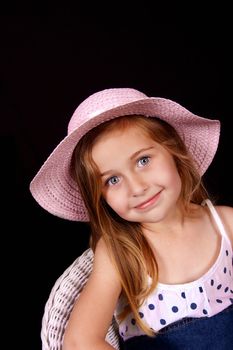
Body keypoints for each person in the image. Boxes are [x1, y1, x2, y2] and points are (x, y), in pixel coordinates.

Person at [30, 88, 233, 349]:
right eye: (112, 180)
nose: (137, 187)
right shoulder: (119, 253)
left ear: (174, 151)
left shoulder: (226, 224)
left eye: (143, 160)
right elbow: (80, 340)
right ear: (99, 196)